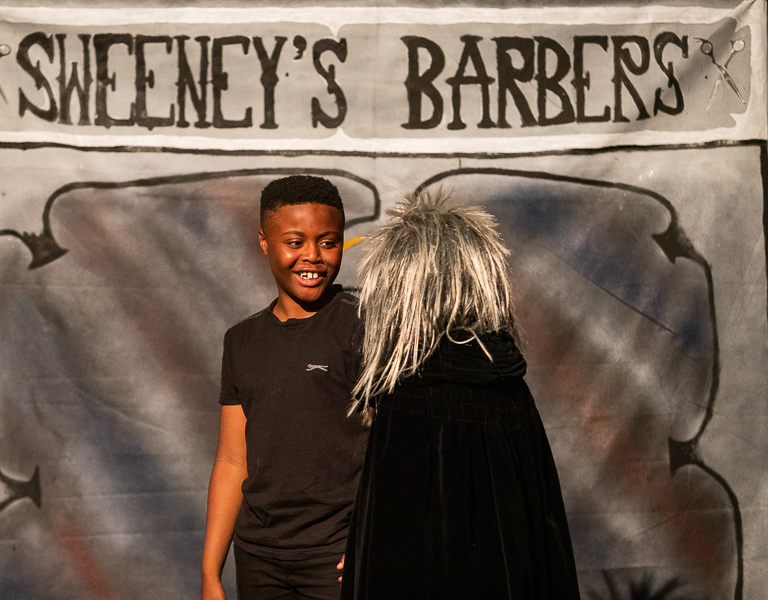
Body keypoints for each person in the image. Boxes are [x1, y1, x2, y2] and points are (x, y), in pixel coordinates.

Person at [340, 188, 580, 599]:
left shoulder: (407, 392)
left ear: (404, 287)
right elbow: (543, 526)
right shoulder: (508, 385)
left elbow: (390, 539)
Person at [201, 175, 368, 600]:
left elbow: (401, 449)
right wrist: (210, 574)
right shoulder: (240, 341)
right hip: (257, 558)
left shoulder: (365, 324)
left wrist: (373, 538)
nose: (312, 256)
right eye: (295, 242)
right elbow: (232, 460)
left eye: (328, 242)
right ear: (264, 241)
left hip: (338, 557)